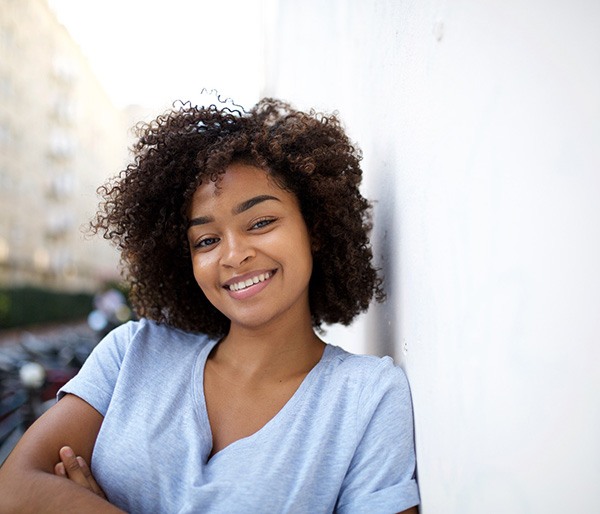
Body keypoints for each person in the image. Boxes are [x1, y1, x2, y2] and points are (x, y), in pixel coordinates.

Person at [0, 97, 420, 513]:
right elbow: (14, 489)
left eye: (260, 222)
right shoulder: (131, 353)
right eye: (207, 240)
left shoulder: (368, 398)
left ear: (315, 228)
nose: (233, 255)